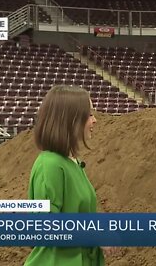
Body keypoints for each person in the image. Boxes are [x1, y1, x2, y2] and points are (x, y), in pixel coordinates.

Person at [24, 85, 115, 265]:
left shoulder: (72, 163)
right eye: (89, 114)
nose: (95, 120)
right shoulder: (49, 165)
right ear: (71, 120)